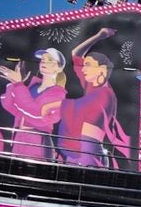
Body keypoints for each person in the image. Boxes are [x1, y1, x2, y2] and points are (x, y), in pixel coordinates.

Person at [56, 29, 132, 169]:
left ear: (101, 69)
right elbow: (76, 54)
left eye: (88, 65)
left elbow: (79, 108)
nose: (83, 69)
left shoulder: (106, 94)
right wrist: (98, 36)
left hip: (88, 150)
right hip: (77, 149)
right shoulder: (90, 84)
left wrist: (54, 103)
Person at [0, 48, 67, 161]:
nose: (43, 62)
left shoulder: (58, 94)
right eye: (42, 59)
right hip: (19, 138)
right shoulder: (32, 87)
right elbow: (9, 105)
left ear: (58, 68)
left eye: (49, 60)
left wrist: (19, 85)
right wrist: (13, 83)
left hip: (38, 141)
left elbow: (37, 115)